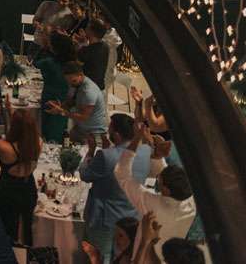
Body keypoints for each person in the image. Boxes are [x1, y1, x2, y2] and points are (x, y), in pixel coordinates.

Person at [114, 125, 196, 257]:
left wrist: (136, 139)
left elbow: (122, 174)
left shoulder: (153, 204)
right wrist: (157, 155)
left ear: (166, 190)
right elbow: (168, 176)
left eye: (160, 183)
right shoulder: (192, 204)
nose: (158, 182)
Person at [80, 113, 152, 261]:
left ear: (117, 135)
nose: (108, 132)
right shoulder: (146, 151)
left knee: (100, 257)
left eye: (110, 130)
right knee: (124, 258)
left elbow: (85, 175)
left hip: (104, 219)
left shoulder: (105, 156)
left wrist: (91, 151)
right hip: (131, 217)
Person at [0, 104, 41, 245]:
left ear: (15, 127)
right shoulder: (38, 142)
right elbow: (22, 131)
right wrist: (11, 112)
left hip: (8, 190)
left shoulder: (5, 148)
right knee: (26, 226)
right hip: (28, 189)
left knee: (6, 227)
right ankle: (26, 251)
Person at [45, 61, 108, 142]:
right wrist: (59, 106)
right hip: (79, 129)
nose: (70, 84)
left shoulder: (88, 91)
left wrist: (62, 111)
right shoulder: (75, 84)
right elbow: (71, 102)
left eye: (73, 81)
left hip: (93, 134)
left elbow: (84, 117)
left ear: (81, 75)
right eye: (68, 81)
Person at [35, 32, 75, 143]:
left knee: (47, 132)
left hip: (49, 98)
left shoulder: (49, 63)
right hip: (65, 100)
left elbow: (35, 63)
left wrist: (44, 48)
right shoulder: (72, 64)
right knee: (58, 131)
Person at [79, 19, 111, 90]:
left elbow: (78, 60)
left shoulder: (87, 51)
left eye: (87, 27)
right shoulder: (105, 46)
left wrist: (81, 44)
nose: (85, 29)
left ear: (91, 32)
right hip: (100, 86)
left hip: (88, 88)